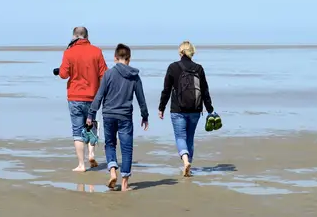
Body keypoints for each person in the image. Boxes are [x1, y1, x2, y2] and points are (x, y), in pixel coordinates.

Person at [87, 43, 149, 191]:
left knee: (110, 144)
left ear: (115, 58)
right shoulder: (134, 76)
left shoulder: (108, 74)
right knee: (127, 148)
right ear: (129, 58)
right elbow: (141, 98)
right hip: (125, 116)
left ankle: (113, 171)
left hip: (108, 114)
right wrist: (144, 115)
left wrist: (91, 114)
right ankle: (125, 184)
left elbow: (99, 96)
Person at [54, 27, 108, 172]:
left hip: (75, 96)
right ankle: (91, 153)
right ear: (87, 36)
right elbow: (104, 73)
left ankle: (81, 164)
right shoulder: (96, 51)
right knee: (91, 124)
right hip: (93, 96)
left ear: (74, 36)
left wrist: (61, 68)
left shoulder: (69, 52)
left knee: (77, 130)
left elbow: (64, 74)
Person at [158, 41, 214, 177]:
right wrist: (210, 109)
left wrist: (161, 108)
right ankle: (189, 164)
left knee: (180, 137)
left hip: (178, 110)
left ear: (180, 52)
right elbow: (205, 91)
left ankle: (185, 162)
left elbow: (166, 90)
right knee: (190, 138)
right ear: (192, 52)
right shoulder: (199, 68)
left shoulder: (173, 67)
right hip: (195, 109)